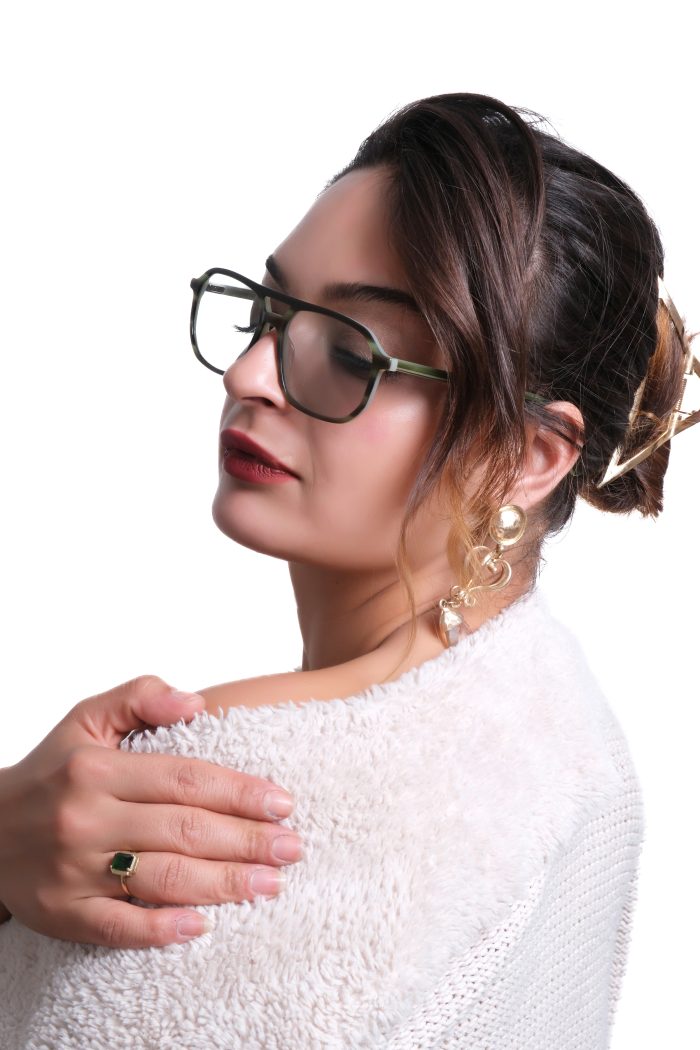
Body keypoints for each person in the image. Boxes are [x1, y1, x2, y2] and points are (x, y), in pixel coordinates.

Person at [0, 91, 697, 1048]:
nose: (249, 374)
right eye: (268, 311)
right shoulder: (571, 749)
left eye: (350, 352)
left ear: (527, 456)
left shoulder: (200, 802)